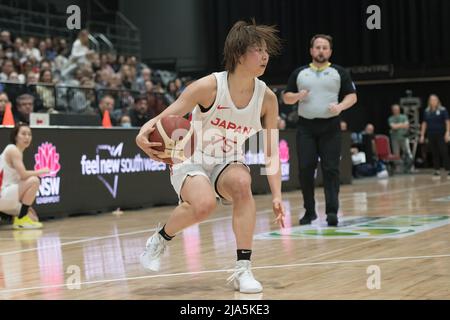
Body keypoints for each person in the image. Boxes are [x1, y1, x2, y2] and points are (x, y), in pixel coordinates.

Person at [135, 20, 285, 294]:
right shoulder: (208, 87)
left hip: (227, 159)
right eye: (258, 50)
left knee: (242, 184)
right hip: (192, 154)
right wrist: (143, 131)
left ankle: (243, 269)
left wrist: (276, 194)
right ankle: (161, 238)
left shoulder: (268, 99)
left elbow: (271, 150)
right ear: (239, 54)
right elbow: (170, 114)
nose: (265, 56)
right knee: (204, 205)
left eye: (266, 51)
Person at [283, 34, 357, 226]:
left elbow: (352, 96)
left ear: (330, 51)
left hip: (330, 127)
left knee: (331, 170)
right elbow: (286, 97)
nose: (321, 50)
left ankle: (332, 212)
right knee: (305, 169)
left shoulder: (339, 72)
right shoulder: (299, 73)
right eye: (318, 47)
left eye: (325, 47)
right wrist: (298, 95)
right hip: (306, 127)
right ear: (311, 50)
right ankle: (309, 211)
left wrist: (340, 107)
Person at [0, 123, 49, 228]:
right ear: (15, 136)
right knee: (34, 180)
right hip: (3, 195)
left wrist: (26, 207)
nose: (27, 137)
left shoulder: (17, 152)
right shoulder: (13, 149)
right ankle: (20, 219)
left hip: (7, 196)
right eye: (23, 134)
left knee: (34, 218)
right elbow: (23, 175)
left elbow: (18, 182)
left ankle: (17, 216)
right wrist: (41, 171)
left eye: (29, 134)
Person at [419, 94, 450, 176]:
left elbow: (447, 121)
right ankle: (436, 170)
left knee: (444, 151)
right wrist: (422, 135)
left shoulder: (443, 110)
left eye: (435, 100)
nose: (433, 101)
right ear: (429, 101)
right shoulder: (427, 111)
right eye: (431, 100)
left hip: (441, 134)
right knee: (434, 152)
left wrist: (447, 132)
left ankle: (448, 169)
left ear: (438, 101)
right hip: (431, 134)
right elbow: (424, 123)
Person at [388, 104, 413, 173]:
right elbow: (393, 127)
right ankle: (398, 168)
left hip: (404, 137)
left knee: (407, 152)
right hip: (395, 138)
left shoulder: (404, 116)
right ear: (392, 110)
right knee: (396, 153)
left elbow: (407, 125)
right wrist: (402, 125)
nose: (395, 110)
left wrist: (398, 125)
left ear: (399, 109)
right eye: (394, 109)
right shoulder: (391, 118)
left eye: (397, 109)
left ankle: (409, 167)